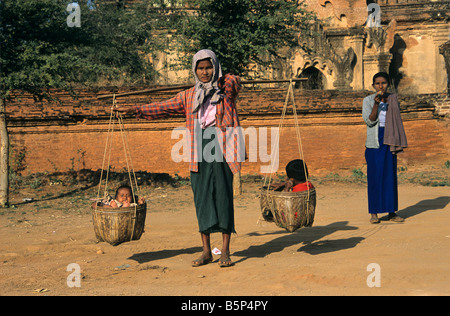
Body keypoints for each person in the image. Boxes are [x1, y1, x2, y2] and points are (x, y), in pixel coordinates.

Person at [114, 49, 242, 268]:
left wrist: (219, 79)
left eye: (209, 67)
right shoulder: (188, 95)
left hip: (221, 147)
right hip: (197, 150)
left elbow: (234, 81)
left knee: (222, 198)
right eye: (200, 68)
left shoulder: (225, 91)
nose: (204, 72)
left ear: (215, 67)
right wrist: (134, 110)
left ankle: (225, 252)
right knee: (202, 200)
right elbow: (161, 107)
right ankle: (207, 251)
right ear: (194, 70)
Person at [362, 72, 408, 224]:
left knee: (389, 177)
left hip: (389, 141)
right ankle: (374, 213)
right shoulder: (368, 100)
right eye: (377, 83)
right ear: (373, 85)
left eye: (383, 83)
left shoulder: (393, 99)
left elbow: (395, 122)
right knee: (375, 177)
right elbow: (370, 121)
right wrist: (376, 103)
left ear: (388, 84)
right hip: (375, 142)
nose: (380, 86)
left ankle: (391, 212)